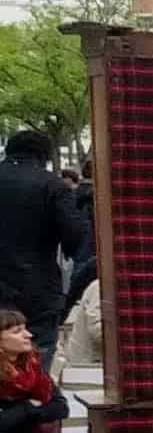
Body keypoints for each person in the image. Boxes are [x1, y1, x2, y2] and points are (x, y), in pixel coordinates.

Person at [0, 131, 86, 363]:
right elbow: (75, 233)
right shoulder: (53, 185)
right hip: (38, 286)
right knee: (36, 355)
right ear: (44, 155)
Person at [0, 306, 68, 433]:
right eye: (17, 331)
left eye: (26, 328)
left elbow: (60, 407)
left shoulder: (32, 366)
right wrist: (27, 406)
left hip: (12, 430)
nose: (28, 335)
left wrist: (27, 412)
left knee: (42, 426)